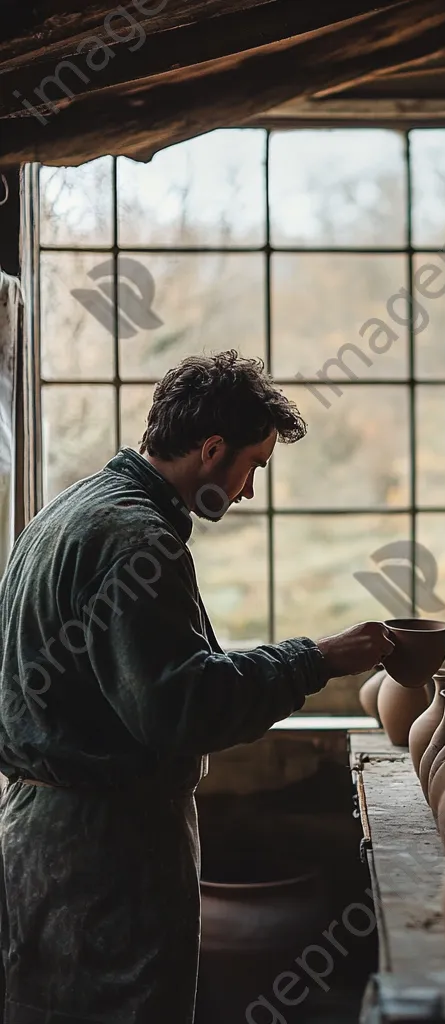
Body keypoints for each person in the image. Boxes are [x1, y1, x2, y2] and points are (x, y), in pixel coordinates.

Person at [0, 351, 395, 1023]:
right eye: (253, 467)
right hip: (104, 857)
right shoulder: (137, 541)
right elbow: (182, 707)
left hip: (37, 837)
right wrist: (316, 659)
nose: (248, 491)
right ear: (212, 449)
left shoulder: (71, 508)